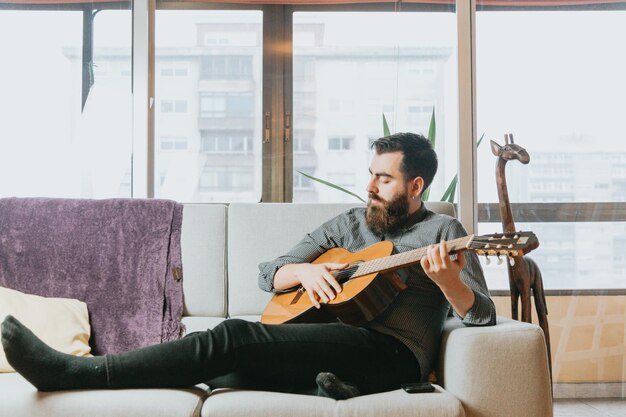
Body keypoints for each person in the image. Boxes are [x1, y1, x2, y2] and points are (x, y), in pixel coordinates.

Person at [1, 132, 496, 399]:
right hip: (335, 341)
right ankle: (324, 387)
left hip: (393, 353)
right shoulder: (349, 224)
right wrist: (303, 273)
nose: (369, 187)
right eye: (370, 175)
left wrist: (451, 283)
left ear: (415, 188)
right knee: (218, 376)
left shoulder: (445, 233)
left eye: (384, 180)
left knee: (231, 339)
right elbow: (271, 271)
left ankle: (78, 374)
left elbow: (483, 316)